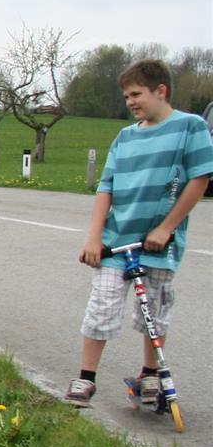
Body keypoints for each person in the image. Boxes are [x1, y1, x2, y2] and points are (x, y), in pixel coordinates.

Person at [65, 59, 213, 407]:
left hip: (159, 244)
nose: (130, 102)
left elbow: (200, 179)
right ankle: (86, 378)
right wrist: (94, 237)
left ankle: (150, 374)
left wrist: (166, 228)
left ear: (161, 91)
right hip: (116, 242)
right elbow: (106, 187)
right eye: (126, 96)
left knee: (154, 311)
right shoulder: (125, 136)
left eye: (136, 94)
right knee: (102, 306)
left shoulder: (190, 127)